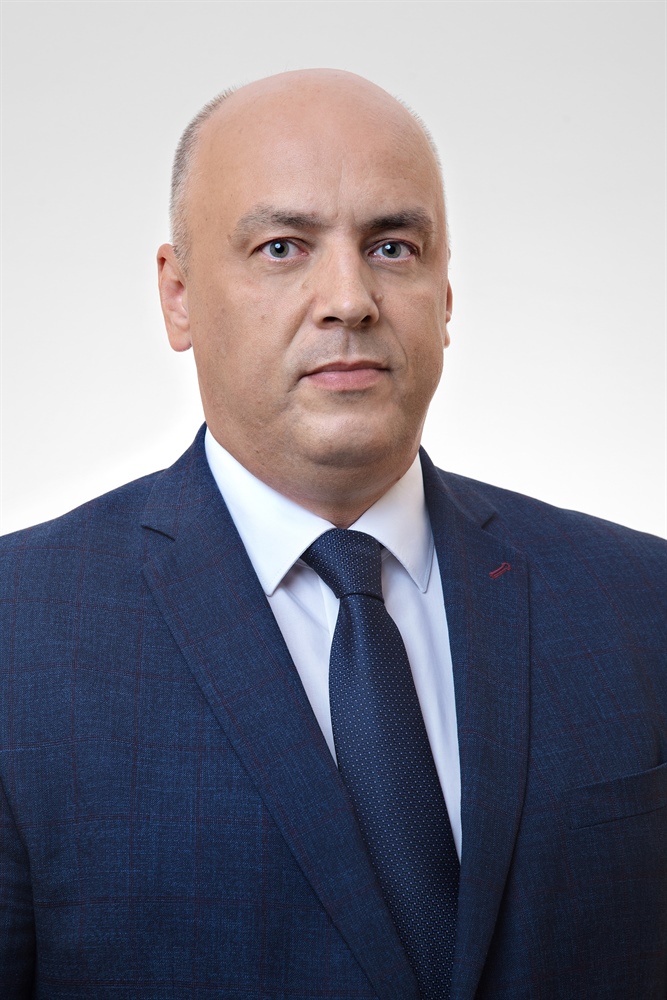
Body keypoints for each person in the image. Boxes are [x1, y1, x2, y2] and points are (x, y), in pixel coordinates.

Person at [1, 69, 665, 1000]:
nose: (348, 298)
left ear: (444, 292)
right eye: (281, 247)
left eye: (392, 247)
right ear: (178, 295)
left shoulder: (640, 601)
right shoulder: (20, 629)